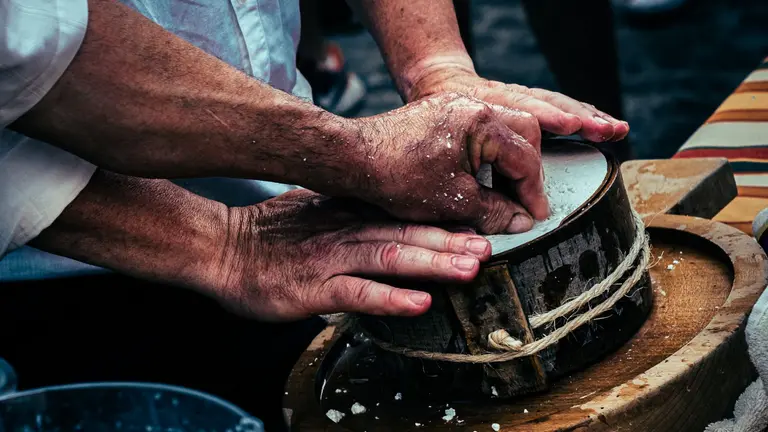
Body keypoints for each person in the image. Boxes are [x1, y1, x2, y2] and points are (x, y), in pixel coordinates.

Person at [0, 0, 629, 428]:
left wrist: (436, 64)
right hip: (79, 265)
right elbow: (23, 42)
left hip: (302, 207)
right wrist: (224, 240)